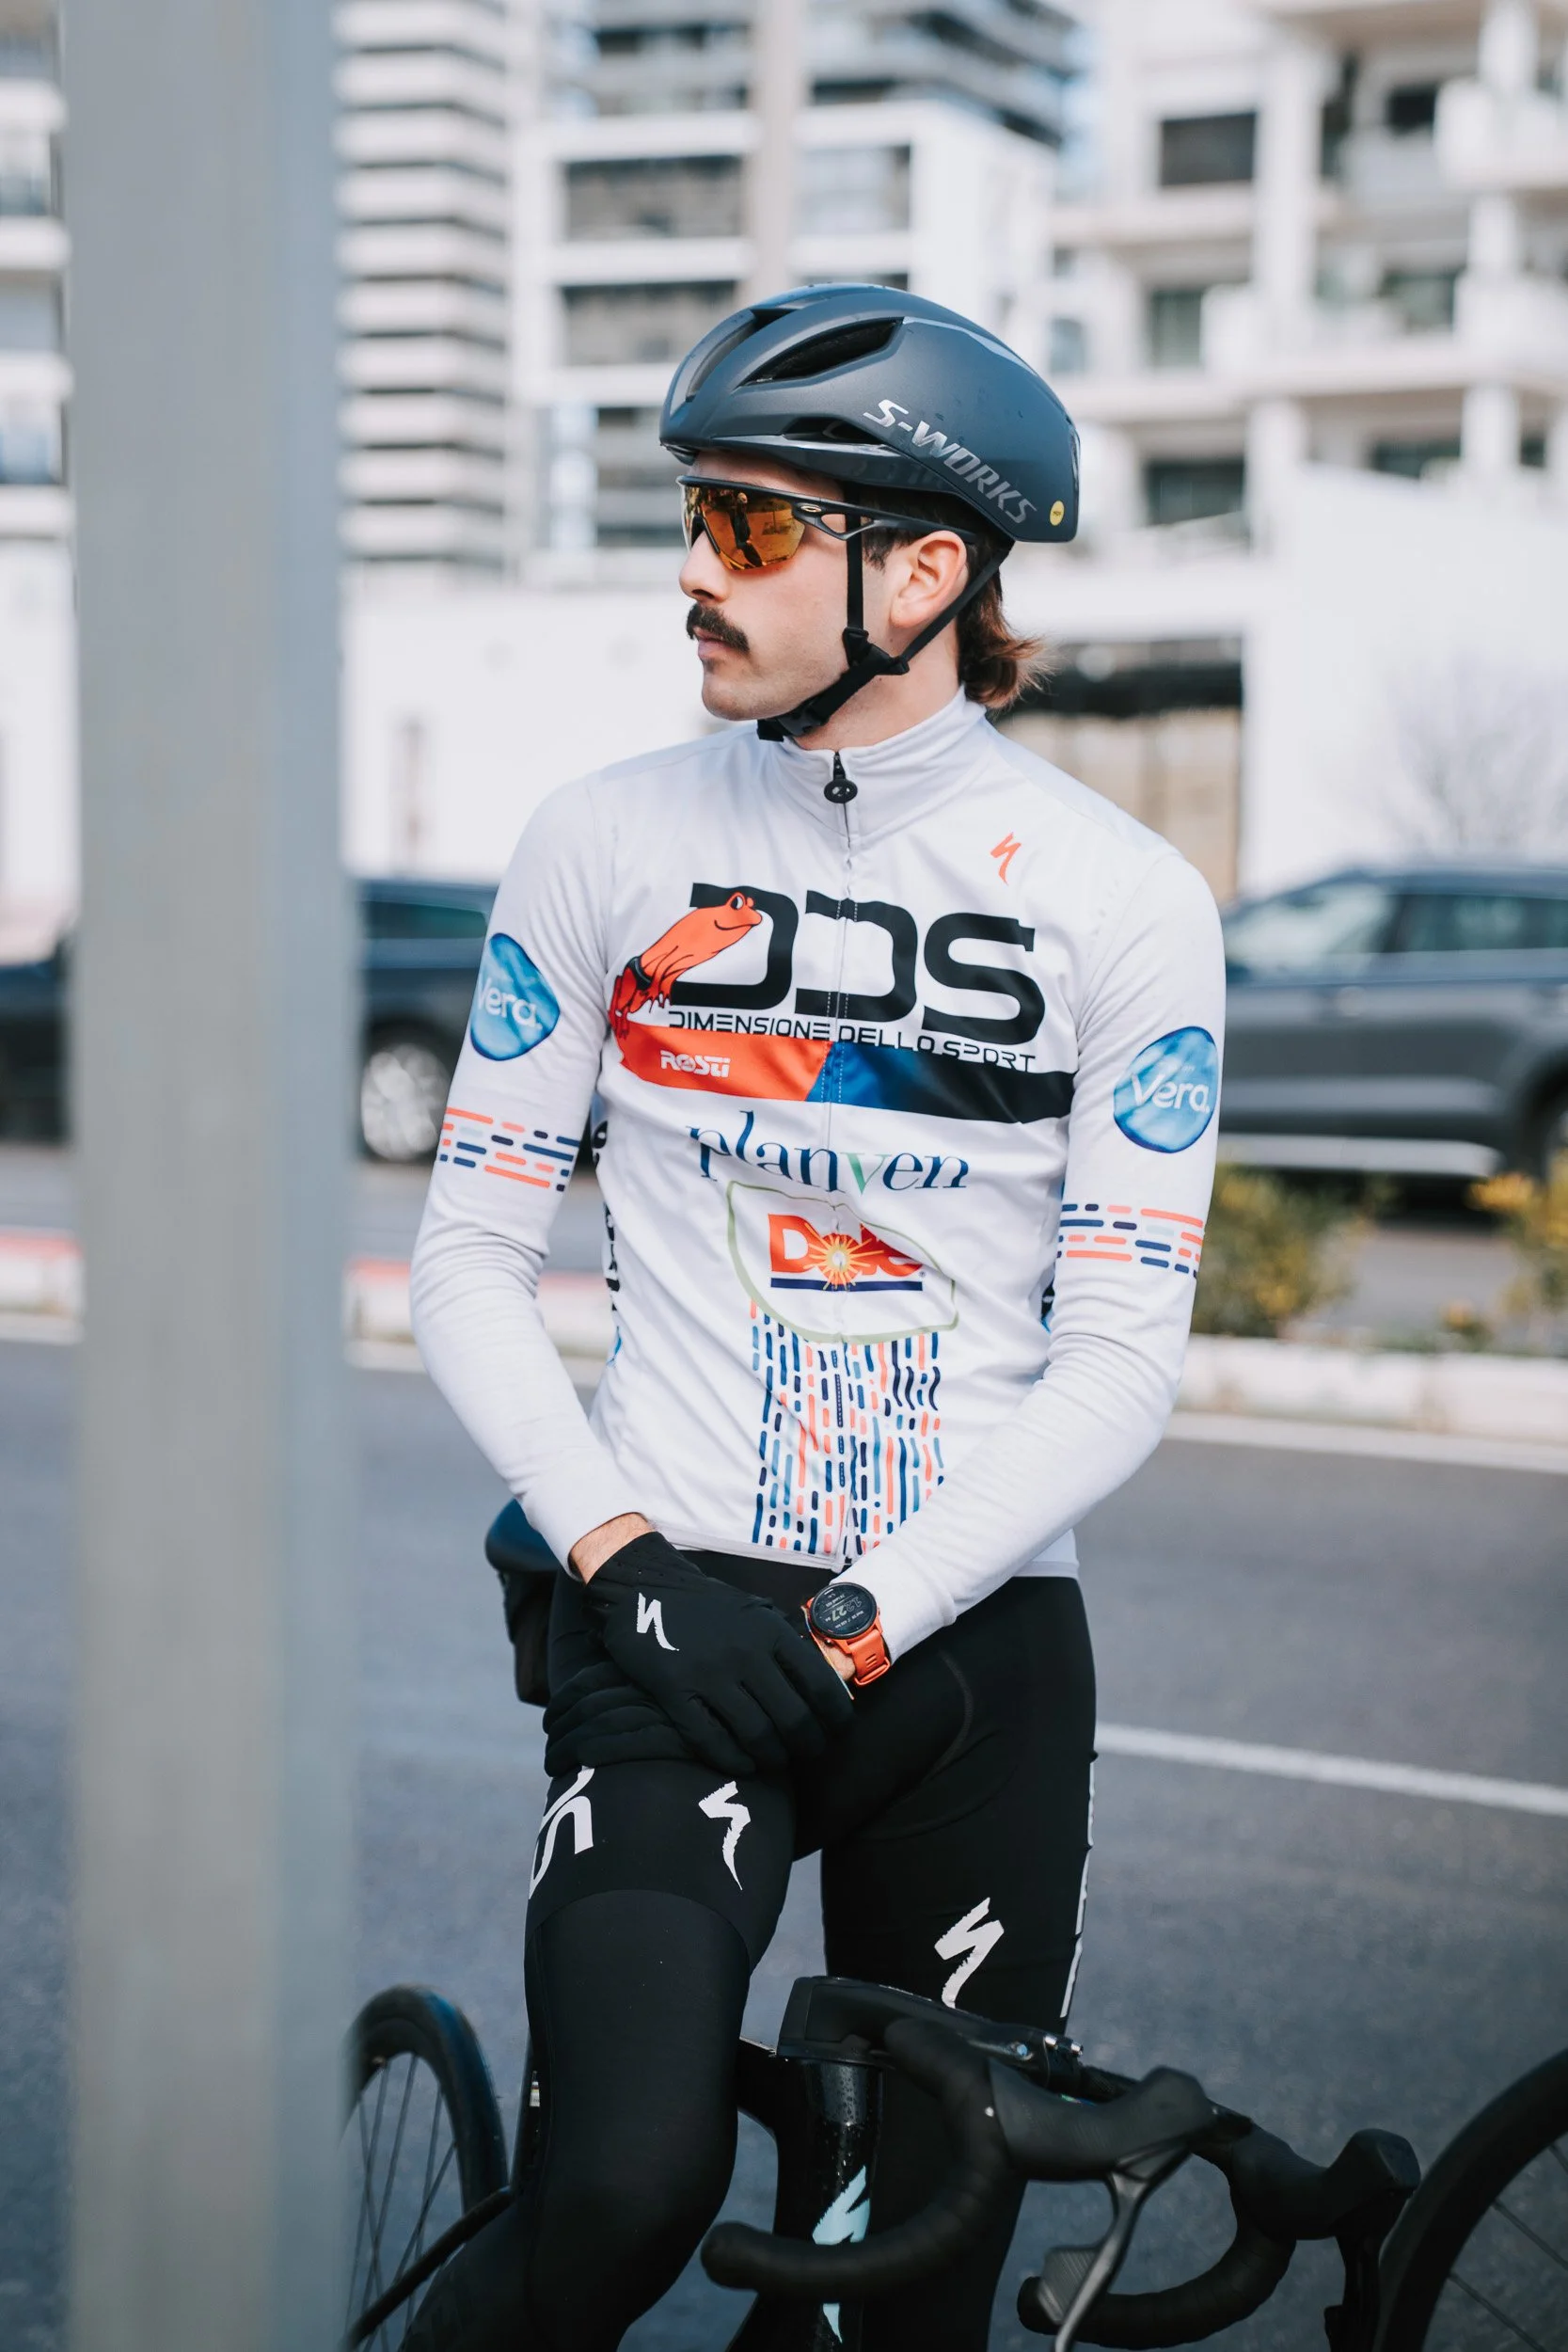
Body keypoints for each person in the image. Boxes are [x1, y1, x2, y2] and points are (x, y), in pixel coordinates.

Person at [406, 283, 1225, 2350]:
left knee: (888, 2304)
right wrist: (625, 1559)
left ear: (920, 569)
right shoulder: (605, 839)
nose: (695, 567)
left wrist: (865, 1619)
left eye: (756, 526)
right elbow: (467, 1256)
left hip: (964, 1658)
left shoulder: (1120, 897)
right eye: (695, 512)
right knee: (617, 2185)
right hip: (669, 1616)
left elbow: (1123, 1352)